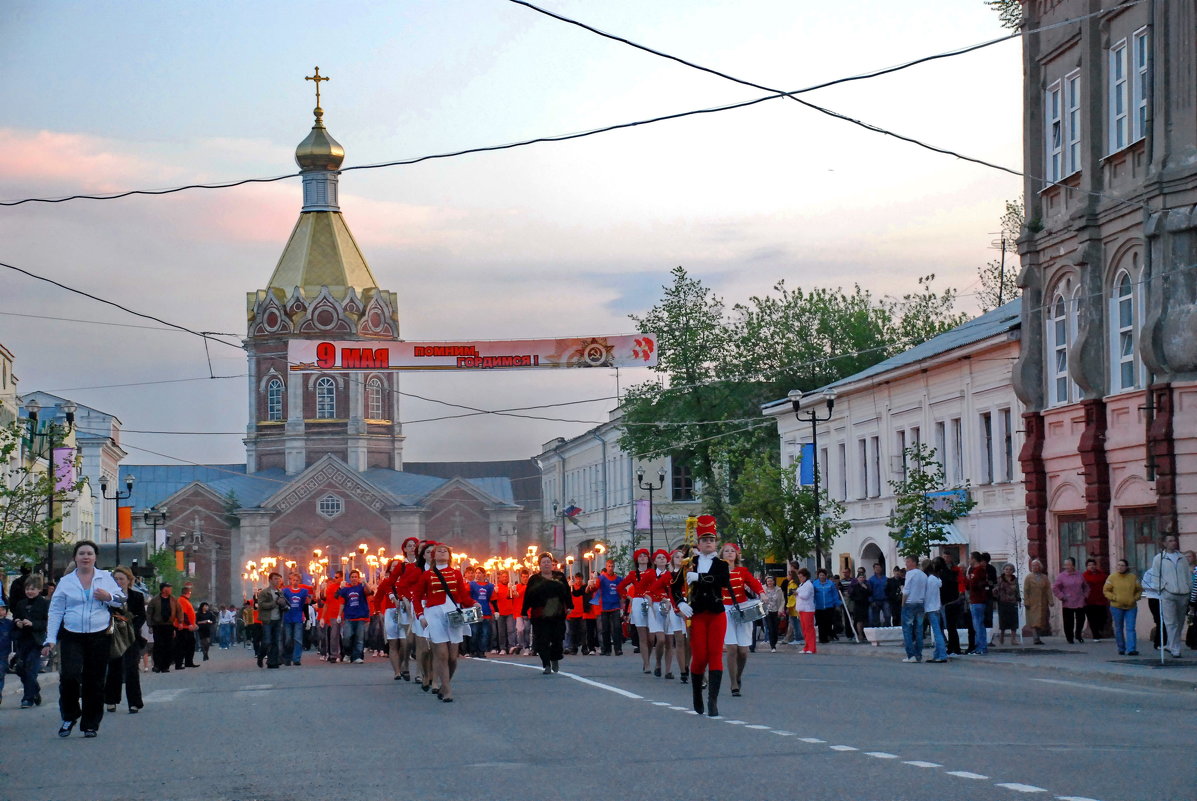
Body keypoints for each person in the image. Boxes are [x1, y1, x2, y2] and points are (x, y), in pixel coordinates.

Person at [43, 540, 126, 738]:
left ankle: (90, 724)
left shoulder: (105, 578)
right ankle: (70, 715)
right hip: (72, 634)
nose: (86, 557)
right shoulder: (66, 582)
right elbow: (55, 610)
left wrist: (108, 597)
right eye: (82, 553)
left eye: (89, 553)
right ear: (75, 558)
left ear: (95, 557)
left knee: (94, 680)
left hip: (99, 635)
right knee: (69, 676)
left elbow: (122, 599)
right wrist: (50, 638)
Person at [677, 514, 731, 717]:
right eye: (704, 540)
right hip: (697, 614)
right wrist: (681, 603)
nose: (708, 543)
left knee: (715, 654)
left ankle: (713, 700)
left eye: (712, 540)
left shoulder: (722, 564)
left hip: (716, 613)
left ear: (715, 542)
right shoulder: (689, 563)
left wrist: (699, 577)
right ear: (698, 543)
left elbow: (722, 581)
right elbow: (674, 587)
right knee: (699, 656)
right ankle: (697, 694)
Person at [415, 542, 478, 701]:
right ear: (433, 556)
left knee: (452, 657)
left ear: (450, 556)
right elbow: (416, 598)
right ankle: (448, 691)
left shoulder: (456, 573)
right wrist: (420, 616)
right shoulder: (427, 575)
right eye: (439, 551)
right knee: (441, 654)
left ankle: (444, 684)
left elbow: (463, 596)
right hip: (434, 613)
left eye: (445, 551)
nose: (442, 552)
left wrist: (473, 603)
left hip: (453, 613)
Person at [720, 542, 764, 697]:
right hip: (725, 610)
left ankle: (738, 676)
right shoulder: (717, 571)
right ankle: (733, 684)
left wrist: (762, 593)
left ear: (736, 555)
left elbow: (754, 583)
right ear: (722, 554)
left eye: (733, 551)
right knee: (732, 648)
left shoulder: (742, 571)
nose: (730, 553)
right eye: (727, 551)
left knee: (743, 651)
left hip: (742, 609)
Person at [523, 552, 573, 675]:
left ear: (552, 564)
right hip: (540, 615)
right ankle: (546, 664)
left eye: (548, 562)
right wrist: (524, 610)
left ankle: (555, 658)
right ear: (539, 565)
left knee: (557, 638)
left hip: (557, 613)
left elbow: (567, 592)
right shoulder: (534, 579)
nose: (546, 564)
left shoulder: (560, 577)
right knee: (542, 640)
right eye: (543, 562)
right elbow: (528, 596)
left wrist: (570, 605)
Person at [104, 566, 144, 714]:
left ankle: (134, 702)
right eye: (116, 579)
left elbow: (141, 615)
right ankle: (111, 700)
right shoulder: (109, 597)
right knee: (114, 668)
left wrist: (132, 625)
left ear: (129, 580)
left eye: (121, 579)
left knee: (132, 668)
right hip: (113, 636)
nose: (119, 581)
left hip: (131, 636)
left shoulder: (137, 597)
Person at [11, 574, 49, 709]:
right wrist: (18, 622)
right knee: (20, 668)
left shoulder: (44, 603)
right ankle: (35, 689)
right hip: (22, 640)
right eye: (27, 589)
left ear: (39, 590)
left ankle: (27, 698)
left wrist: (33, 624)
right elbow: (15, 618)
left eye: (33, 589)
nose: (30, 592)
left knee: (31, 668)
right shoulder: (21, 603)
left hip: (36, 640)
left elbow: (47, 623)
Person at [1150, 534, 1189, 658]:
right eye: (1170, 541)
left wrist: (1189, 588)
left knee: (1180, 621)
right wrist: (1162, 588)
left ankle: (1171, 644)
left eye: (1174, 540)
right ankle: (1175, 648)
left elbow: (1187, 575)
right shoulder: (1159, 558)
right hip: (1168, 593)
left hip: (1183, 593)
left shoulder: (1181, 557)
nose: (1173, 542)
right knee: (1171, 622)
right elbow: (1156, 576)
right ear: (1164, 543)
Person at [643, 549, 676, 677]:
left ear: (667, 560)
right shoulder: (650, 574)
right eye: (659, 557)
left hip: (669, 607)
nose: (661, 559)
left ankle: (668, 670)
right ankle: (657, 663)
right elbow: (641, 589)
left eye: (664, 557)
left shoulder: (671, 575)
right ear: (655, 561)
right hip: (655, 607)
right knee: (661, 639)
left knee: (669, 640)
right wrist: (648, 597)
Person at [618, 549, 653, 671]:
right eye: (640, 556)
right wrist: (628, 597)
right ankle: (647, 663)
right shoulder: (633, 574)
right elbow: (620, 587)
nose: (643, 558)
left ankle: (648, 657)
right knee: (642, 636)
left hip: (651, 602)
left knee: (651, 637)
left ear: (648, 559)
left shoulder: (653, 572)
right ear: (636, 559)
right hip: (638, 602)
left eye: (645, 556)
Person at [1103, 559, 1143, 656]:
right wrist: (1114, 598)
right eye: (1118, 565)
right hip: (1117, 606)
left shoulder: (1132, 577)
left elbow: (1139, 589)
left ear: (1126, 567)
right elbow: (1106, 590)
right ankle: (1121, 648)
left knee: (1130, 628)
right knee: (1119, 628)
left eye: (1122, 565)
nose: (1120, 567)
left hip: (1131, 606)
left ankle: (1131, 649)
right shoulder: (1112, 577)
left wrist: (1135, 598)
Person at [336, 570, 372, 664]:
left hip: (360, 617)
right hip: (349, 617)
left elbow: (369, 592)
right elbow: (337, 596)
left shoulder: (361, 587)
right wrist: (340, 587)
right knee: (347, 637)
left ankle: (357, 656)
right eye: (352, 577)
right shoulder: (347, 589)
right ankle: (347, 653)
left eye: (356, 577)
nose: (354, 579)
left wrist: (365, 583)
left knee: (359, 638)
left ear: (358, 578)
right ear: (350, 578)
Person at [146, 582, 179, 672]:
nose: (170, 590)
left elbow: (179, 610)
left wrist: (180, 622)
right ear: (164, 589)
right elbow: (149, 613)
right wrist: (150, 625)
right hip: (157, 626)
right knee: (158, 645)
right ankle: (157, 665)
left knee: (169, 646)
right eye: (168, 588)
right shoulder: (154, 600)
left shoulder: (173, 599)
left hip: (169, 626)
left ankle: (165, 666)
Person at [1052, 558, 1086, 644]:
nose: (1066, 567)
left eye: (1068, 565)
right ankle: (1069, 637)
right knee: (1068, 621)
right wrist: (1061, 596)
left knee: (1081, 619)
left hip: (1079, 600)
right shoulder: (1061, 576)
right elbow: (1055, 587)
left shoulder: (1080, 574)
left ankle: (1078, 634)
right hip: (1067, 601)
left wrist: (1085, 596)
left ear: (1073, 565)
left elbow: (1086, 586)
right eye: (1065, 565)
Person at [900, 556, 927, 663]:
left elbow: (906, 591)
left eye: (908, 562)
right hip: (920, 603)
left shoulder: (910, 574)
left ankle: (911, 655)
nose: (906, 564)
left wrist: (903, 604)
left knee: (907, 629)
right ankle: (918, 654)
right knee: (919, 629)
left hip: (910, 603)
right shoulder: (923, 575)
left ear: (914, 563)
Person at [256, 573, 287, 668]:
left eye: (279, 579)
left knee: (275, 641)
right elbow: (261, 605)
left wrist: (284, 606)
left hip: (277, 619)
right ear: (270, 580)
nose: (277, 581)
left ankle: (272, 662)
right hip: (267, 620)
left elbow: (283, 604)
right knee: (267, 641)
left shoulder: (280, 592)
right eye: (275, 579)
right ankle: (260, 656)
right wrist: (275, 603)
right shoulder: (264, 592)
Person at [594, 559, 624, 656]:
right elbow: (595, 588)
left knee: (617, 628)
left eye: (612, 566)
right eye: (609, 566)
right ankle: (606, 649)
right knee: (605, 629)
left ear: (614, 567)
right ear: (606, 567)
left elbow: (622, 591)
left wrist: (623, 603)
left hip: (615, 605)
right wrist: (593, 582)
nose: (610, 568)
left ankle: (618, 649)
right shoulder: (601, 578)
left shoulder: (618, 579)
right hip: (605, 606)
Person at [281, 572, 311, 666]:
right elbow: (282, 603)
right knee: (288, 639)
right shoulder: (285, 591)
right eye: (293, 580)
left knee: (297, 639)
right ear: (290, 580)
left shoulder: (303, 591)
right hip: (287, 617)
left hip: (298, 617)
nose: (295, 582)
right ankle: (287, 657)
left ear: (300, 581)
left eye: (297, 580)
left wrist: (308, 618)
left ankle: (296, 658)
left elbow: (305, 605)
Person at [922, 559, 948, 663]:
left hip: (930, 608)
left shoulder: (927, 580)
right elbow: (940, 584)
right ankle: (937, 654)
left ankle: (942, 655)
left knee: (937, 633)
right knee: (938, 631)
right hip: (937, 607)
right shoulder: (935, 579)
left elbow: (925, 595)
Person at [966, 552, 991, 655]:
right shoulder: (974, 570)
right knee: (977, 624)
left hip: (978, 600)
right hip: (974, 600)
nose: (969, 561)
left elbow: (974, 583)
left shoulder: (978, 570)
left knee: (978, 624)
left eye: (970, 558)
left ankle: (981, 647)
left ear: (974, 559)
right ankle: (979, 646)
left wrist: (969, 579)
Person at [1022, 559, 1052, 645]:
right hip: (1032, 602)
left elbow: (1048, 590)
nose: (1035, 567)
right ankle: (1036, 638)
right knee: (1033, 621)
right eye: (1033, 566)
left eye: (1036, 565)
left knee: (1040, 621)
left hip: (1042, 602)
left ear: (1040, 567)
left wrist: (1050, 600)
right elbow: (1026, 590)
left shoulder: (1044, 577)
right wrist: (1026, 601)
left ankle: (1038, 637)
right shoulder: (1028, 577)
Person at [468, 568, 497, 658]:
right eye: (476, 573)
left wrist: (496, 611)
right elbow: (467, 596)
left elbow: (492, 599)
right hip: (474, 611)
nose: (477, 575)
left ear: (484, 574)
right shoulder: (471, 585)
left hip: (486, 612)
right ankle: (473, 650)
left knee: (485, 633)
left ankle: (481, 651)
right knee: (474, 632)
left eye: (479, 573)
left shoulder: (490, 586)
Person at [1081, 558, 1110, 642]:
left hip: (1101, 600)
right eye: (1089, 565)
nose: (1092, 566)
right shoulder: (1084, 576)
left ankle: (1100, 630)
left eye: (1093, 564)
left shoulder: (1102, 575)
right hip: (1089, 601)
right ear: (1086, 567)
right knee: (1092, 619)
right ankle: (1095, 636)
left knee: (1103, 617)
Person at [992, 563, 1021, 646]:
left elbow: (1017, 590)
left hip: (1012, 602)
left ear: (1013, 571)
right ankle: (1001, 637)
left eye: (1010, 569)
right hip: (1002, 602)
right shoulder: (999, 579)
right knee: (1003, 621)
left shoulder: (1015, 579)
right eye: (1006, 569)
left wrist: (1018, 599)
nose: (1008, 571)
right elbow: (995, 590)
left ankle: (1013, 639)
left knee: (1014, 621)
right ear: (1003, 570)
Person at [811, 569, 841, 644]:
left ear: (826, 575)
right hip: (819, 607)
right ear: (818, 576)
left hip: (829, 606)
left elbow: (834, 594)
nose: (822, 577)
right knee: (820, 624)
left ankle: (828, 636)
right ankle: (822, 638)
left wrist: (837, 603)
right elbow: (812, 595)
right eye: (820, 575)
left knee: (828, 622)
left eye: (823, 575)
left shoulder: (830, 584)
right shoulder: (815, 584)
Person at [173, 584, 199, 670]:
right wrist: (189, 624)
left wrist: (192, 623)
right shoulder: (182, 600)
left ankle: (188, 662)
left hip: (187, 627)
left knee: (190, 644)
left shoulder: (185, 600)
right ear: (188, 593)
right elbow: (183, 613)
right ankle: (179, 663)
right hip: (183, 627)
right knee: (181, 646)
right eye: (190, 592)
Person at [493, 569, 517, 656]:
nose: (505, 578)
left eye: (506, 576)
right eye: (503, 576)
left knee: (511, 630)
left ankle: (511, 646)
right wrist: (494, 592)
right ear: (500, 578)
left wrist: (513, 590)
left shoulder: (511, 586)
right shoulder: (497, 587)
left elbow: (513, 597)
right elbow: (493, 599)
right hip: (500, 612)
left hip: (510, 611)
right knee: (501, 631)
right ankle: (502, 648)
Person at [794, 568, 817, 654]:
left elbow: (806, 596)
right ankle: (806, 646)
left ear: (805, 576)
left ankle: (812, 647)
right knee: (804, 629)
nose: (800, 578)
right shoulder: (802, 585)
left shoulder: (808, 585)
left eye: (801, 576)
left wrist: (797, 593)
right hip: (802, 609)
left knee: (809, 629)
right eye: (799, 576)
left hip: (808, 609)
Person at [761, 575, 784, 653]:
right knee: (770, 628)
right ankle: (772, 646)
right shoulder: (763, 589)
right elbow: (760, 599)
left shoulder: (778, 589)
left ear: (774, 581)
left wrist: (780, 610)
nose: (770, 583)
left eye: (771, 581)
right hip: (767, 611)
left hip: (776, 611)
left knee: (775, 629)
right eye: (768, 581)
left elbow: (782, 601)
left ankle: (775, 641)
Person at [848, 572, 871, 643]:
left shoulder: (866, 585)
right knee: (859, 621)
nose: (861, 579)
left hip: (865, 605)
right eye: (860, 577)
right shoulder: (855, 586)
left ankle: (865, 635)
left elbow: (870, 593)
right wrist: (857, 599)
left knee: (865, 621)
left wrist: (866, 588)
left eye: (863, 577)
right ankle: (860, 634)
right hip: (858, 605)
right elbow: (851, 596)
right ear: (857, 579)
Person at [867, 563, 889, 628]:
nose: (878, 569)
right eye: (876, 568)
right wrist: (871, 601)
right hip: (875, 600)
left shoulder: (886, 579)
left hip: (885, 600)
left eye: (879, 567)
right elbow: (869, 591)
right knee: (875, 618)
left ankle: (886, 628)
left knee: (888, 615)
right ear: (874, 569)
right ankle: (877, 632)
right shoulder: (871, 579)